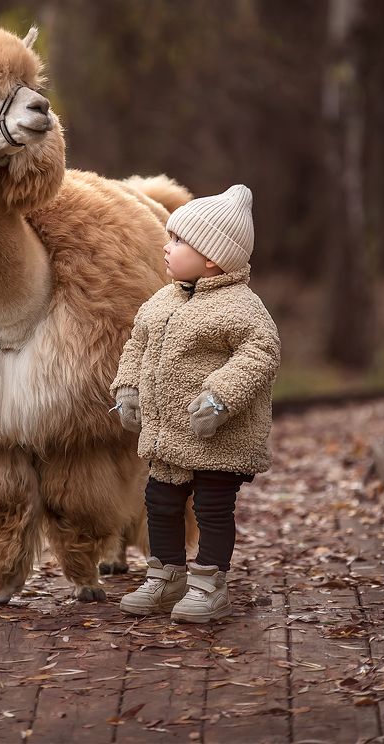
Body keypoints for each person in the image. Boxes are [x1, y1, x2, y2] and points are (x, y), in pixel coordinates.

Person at [111, 184, 280, 622]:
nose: (166, 248)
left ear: (211, 257)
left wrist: (220, 397)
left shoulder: (242, 307)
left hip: (217, 436)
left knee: (211, 509)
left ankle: (209, 583)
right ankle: (165, 575)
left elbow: (259, 353)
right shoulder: (163, 299)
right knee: (161, 502)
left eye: (177, 241)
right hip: (169, 435)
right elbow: (137, 345)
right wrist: (127, 388)